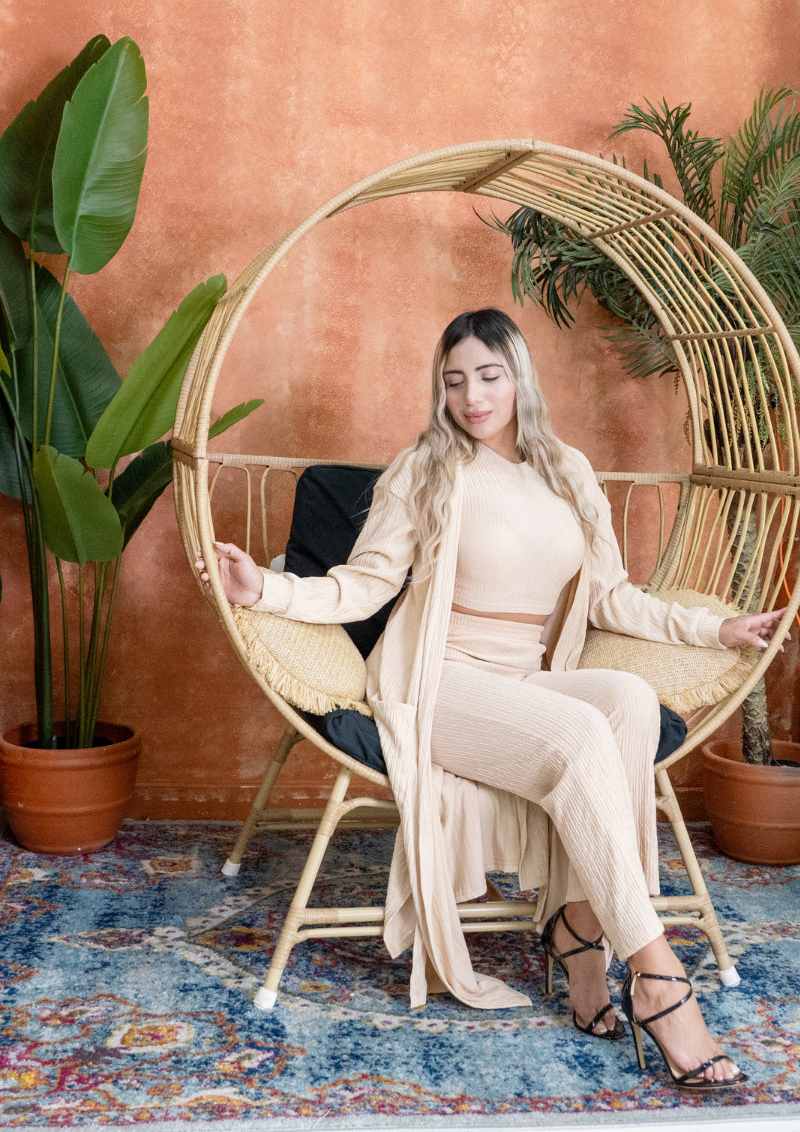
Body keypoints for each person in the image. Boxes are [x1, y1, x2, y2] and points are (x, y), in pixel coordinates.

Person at [198, 309, 786, 1091]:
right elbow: (365, 583)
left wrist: (718, 628)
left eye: (488, 375)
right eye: (453, 381)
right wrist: (264, 588)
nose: (471, 397)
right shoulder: (425, 469)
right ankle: (657, 975)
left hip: (526, 678)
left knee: (631, 703)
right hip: (439, 682)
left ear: (520, 377)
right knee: (579, 737)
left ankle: (578, 932)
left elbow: (612, 598)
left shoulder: (568, 471)